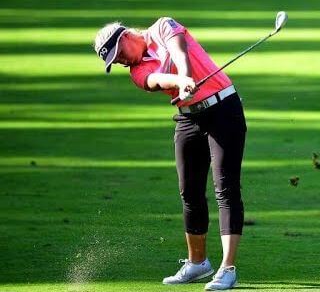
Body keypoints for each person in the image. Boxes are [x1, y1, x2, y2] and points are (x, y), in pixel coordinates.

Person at [93, 17, 246, 290]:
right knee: (189, 191)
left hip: (223, 109)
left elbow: (179, 50)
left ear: (126, 36)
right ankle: (198, 263)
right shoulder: (137, 72)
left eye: (119, 54)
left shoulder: (163, 26)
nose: (121, 62)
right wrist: (179, 81)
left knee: (225, 188)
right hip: (189, 119)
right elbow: (155, 80)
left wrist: (186, 75)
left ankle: (227, 269)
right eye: (115, 62)